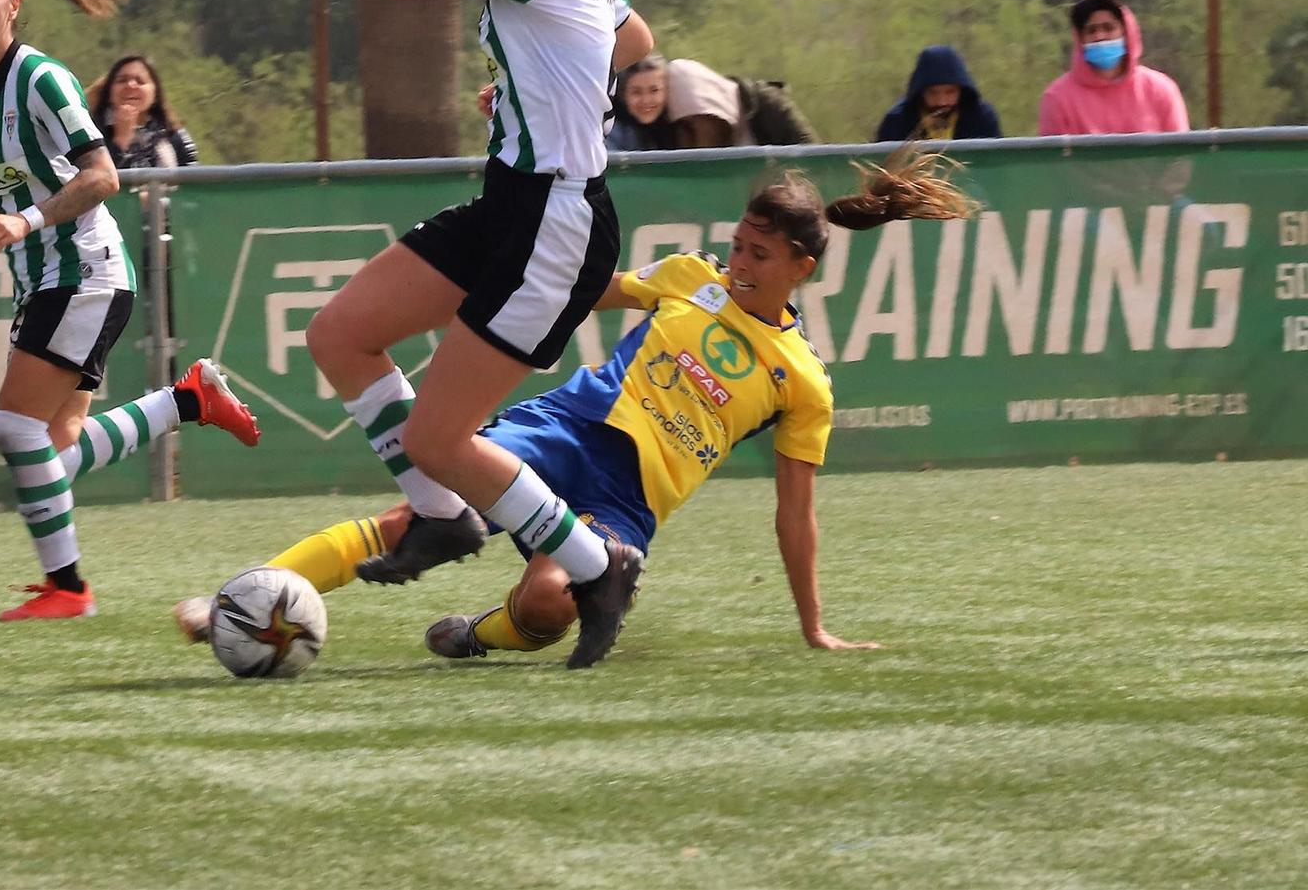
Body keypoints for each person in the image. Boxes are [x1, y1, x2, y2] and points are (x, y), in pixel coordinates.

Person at [177, 152, 977, 663]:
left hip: (627, 498)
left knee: (549, 602)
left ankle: (479, 633)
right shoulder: (690, 276)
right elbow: (590, 287)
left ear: (800, 267)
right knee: (417, 514)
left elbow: (794, 513)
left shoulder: (804, 380)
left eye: (758, 255)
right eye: (736, 244)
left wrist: (813, 623)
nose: (737, 262)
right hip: (562, 428)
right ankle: (238, 603)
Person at [203, 0, 655, 669]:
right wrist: (540, 85)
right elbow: (632, 36)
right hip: (508, 205)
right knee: (340, 333)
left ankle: (599, 568)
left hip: (554, 221)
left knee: (442, 437)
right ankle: (443, 517)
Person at [0, 0, 262, 622]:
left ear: (13, 4)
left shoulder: (40, 77)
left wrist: (27, 219)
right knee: (52, 461)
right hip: (42, 279)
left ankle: (68, 589)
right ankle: (187, 401)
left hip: (85, 269)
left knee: (14, 429)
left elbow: (104, 177)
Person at [1037, 0, 1190, 136]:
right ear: (1080, 40)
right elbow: (1053, 161)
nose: (1100, 36)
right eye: (1091, 30)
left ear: (1127, 33)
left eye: (1109, 28)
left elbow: (1180, 157)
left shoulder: (1161, 90)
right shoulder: (1057, 98)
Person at [665, 58, 820, 149]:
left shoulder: (766, 105)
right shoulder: (680, 134)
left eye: (700, 114)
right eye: (686, 121)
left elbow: (811, 154)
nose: (698, 125)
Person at [91, 55, 199, 171]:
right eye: (122, 80)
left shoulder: (173, 134)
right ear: (109, 93)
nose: (130, 85)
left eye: (140, 81)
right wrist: (121, 139)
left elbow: (194, 181)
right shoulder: (91, 132)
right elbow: (96, 179)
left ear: (155, 94)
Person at [874, 45, 1003, 142]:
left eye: (950, 92)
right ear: (921, 93)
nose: (942, 101)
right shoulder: (897, 122)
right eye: (933, 93)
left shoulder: (982, 118)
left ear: (961, 91)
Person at [605, 54, 673, 152]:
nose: (646, 100)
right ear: (623, 95)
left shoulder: (676, 127)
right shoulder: (612, 133)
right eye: (636, 92)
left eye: (654, 90)